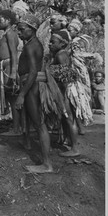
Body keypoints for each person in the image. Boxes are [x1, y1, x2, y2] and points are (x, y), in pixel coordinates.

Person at [15, 14, 54, 173]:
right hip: (31, 85)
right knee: (36, 122)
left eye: (22, 29)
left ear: (32, 29)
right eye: (18, 29)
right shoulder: (31, 44)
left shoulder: (32, 46)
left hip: (33, 86)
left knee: (39, 124)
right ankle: (28, 143)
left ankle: (46, 164)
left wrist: (22, 94)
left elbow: (32, 72)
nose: (19, 32)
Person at [48, 29, 81, 157]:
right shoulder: (60, 54)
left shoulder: (60, 55)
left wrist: (62, 95)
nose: (49, 44)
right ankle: (67, 140)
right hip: (64, 91)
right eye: (49, 42)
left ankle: (74, 148)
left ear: (62, 44)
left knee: (69, 118)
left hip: (65, 91)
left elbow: (65, 76)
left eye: (52, 42)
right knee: (65, 117)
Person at [0, 9, 22, 136]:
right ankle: (16, 126)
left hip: (9, 67)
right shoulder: (7, 34)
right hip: (5, 67)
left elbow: (13, 53)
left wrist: (13, 72)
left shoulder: (11, 34)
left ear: (8, 21)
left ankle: (16, 128)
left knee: (13, 97)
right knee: (10, 97)